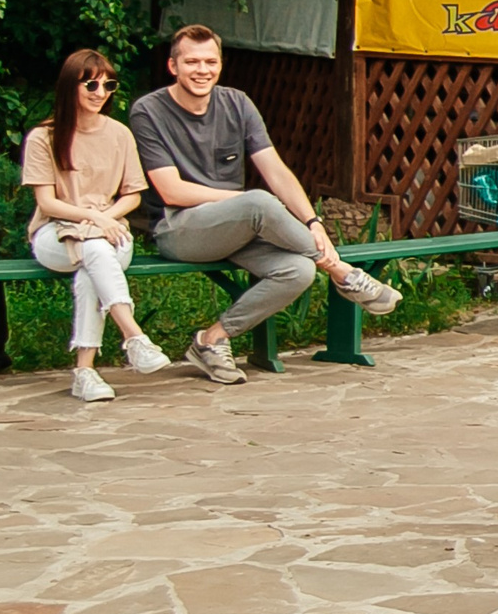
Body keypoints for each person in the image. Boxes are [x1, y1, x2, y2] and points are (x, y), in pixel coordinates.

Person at [130, 25, 398, 384]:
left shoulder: (237, 103)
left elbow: (276, 171)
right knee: (258, 202)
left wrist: (313, 221)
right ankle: (343, 274)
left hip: (236, 226)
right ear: (172, 66)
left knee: (299, 272)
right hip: (179, 229)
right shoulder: (148, 111)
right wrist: (248, 202)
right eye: (191, 62)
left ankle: (211, 340)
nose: (201, 70)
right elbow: (171, 191)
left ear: (220, 65)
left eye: (210, 61)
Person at [21, 49, 170, 402]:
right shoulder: (43, 137)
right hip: (55, 233)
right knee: (92, 248)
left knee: (93, 262)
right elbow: (47, 202)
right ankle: (134, 336)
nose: (100, 92)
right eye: (90, 83)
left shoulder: (119, 134)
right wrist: (96, 218)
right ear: (70, 86)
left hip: (109, 232)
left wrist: (107, 218)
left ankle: (85, 372)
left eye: (109, 85)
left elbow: (133, 195)